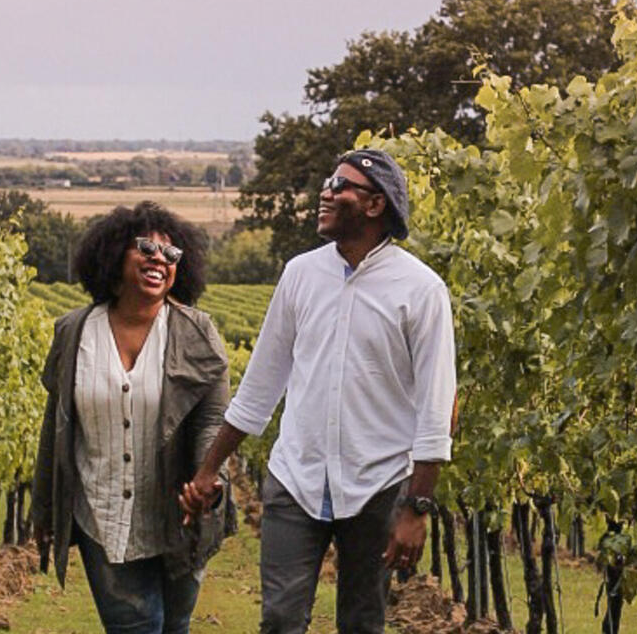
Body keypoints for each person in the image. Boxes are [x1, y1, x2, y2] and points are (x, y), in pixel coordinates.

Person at [178, 149, 456, 633]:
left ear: (374, 206)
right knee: (281, 618)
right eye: (329, 181)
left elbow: (435, 408)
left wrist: (416, 507)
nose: (326, 192)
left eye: (341, 185)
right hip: (295, 478)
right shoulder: (300, 274)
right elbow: (261, 384)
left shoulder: (421, 290)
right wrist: (207, 471)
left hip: (379, 482)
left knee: (362, 621)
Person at [31, 201, 234, 634]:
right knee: (136, 627)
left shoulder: (197, 332)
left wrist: (206, 481)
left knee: (174, 625)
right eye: (146, 247)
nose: (159, 259)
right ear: (114, 254)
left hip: (178, 517)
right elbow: (58, 426)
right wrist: (46, 511)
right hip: (101, 518)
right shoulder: (73, 332)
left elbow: (211, 418)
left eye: (171, 254)